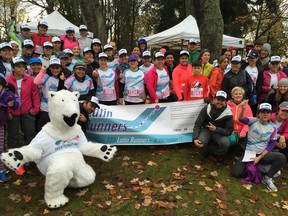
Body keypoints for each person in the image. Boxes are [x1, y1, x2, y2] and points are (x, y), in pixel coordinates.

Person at [232, 102, 286, 192]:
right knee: (236, 173)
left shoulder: (273, 127)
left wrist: (260, 157)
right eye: (263, 112)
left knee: (281, 157)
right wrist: (243, 109)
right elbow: (241, 119)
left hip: (263, 154)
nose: (265, 114)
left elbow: (271, 144)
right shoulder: (252, 121)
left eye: (267, 112)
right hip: (250, 153)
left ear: (270, 114)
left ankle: (267, 177)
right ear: (258, 114)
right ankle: (262, 168)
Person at [6, 57, 40, 175]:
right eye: (18, 66)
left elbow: (35, 95)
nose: (21, 69)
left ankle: (29, 158)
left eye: (23, 66)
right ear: (13, 67)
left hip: (27, 112)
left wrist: (35, 109)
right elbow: (4, 98)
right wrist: (7, 111)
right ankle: (14, 162)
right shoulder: (7, 80)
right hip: (13, 114)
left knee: (30, 135)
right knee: (13, 137)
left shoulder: (29, 80)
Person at [193, 90, 234, 163]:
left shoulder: (228, 113)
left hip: (219, 132)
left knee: (225, 143)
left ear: (225, 102)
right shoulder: (206, 108)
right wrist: (195, 138)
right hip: (206, 130)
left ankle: (218, 155)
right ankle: (205, 152)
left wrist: (216, 129)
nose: (220, 102)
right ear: (214, 99)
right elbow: (197, 124)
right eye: (218, 99)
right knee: (200, 142)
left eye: (222, 100)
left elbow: (229, 131)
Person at [33, 58, 65, 131]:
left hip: (56, 110)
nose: (55, 70)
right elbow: (35, 82)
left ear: (60, 68)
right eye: (53, 68)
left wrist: (61, 81)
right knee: (41, 130)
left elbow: (62, 93)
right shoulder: (46, 76)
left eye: (57, 68)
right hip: (44, 108)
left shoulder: (62, 78)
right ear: (50, 68)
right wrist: (42, 71)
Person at [0, 77, 20, 182]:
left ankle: (2, 170)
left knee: (1, 146)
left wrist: (12, 104)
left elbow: (16, 104)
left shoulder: (6, 95)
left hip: (1, 124)